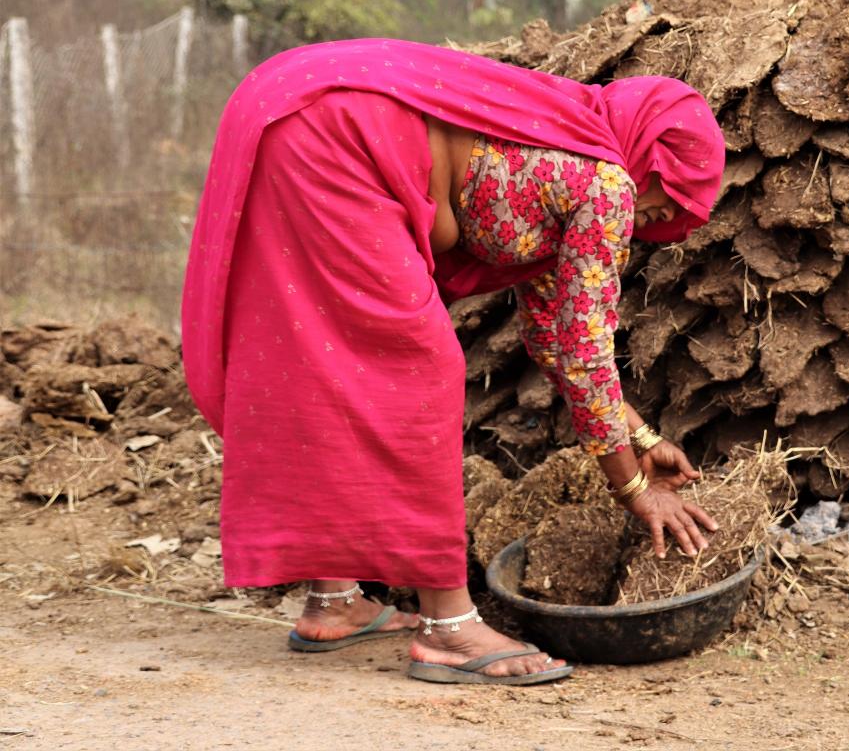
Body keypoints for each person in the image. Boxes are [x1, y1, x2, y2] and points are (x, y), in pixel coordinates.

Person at [180, 38, 726, 685]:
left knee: (324, 362)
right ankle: (449, 627)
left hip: (301, 108)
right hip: (333, 131)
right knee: (420, 368)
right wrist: (632, 489)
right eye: (662, 203)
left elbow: (555, 339)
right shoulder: (604, 186)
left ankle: (334, 600)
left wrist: (641, 437)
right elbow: (586, 352)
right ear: (650, 162)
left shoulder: (561, 147)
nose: (650, 222)